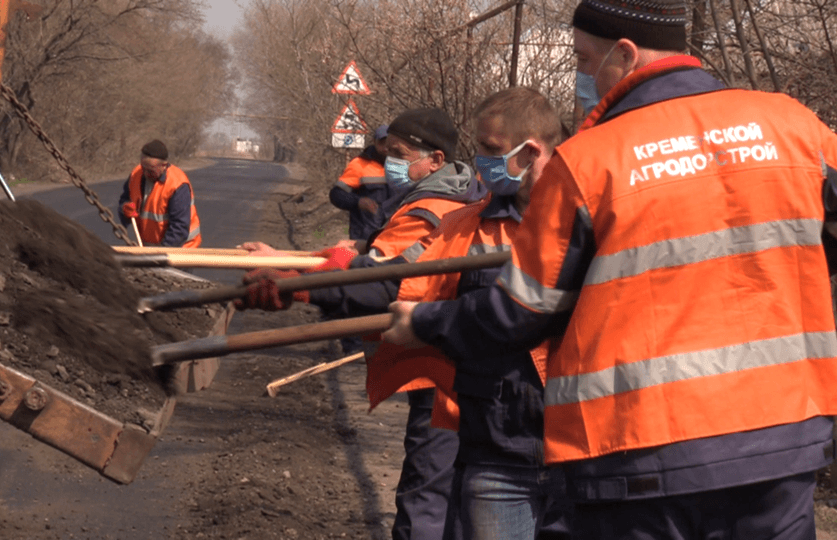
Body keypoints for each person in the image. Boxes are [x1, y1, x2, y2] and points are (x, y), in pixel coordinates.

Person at [383, 0, 837, 538]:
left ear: (624, 53)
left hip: (640, 451)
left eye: (582, 57)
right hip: (781, 441)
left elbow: (519, 311)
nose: (580, 76)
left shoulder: (589, 160)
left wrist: (425, 323)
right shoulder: (796, 126)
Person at [240, 107, 487, 540]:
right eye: (387, 152)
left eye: (400, 153)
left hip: (440, 374)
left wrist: (300, 287)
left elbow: (380, 280)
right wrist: (288, 261)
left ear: (435, 160)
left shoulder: (430, 210)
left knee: (426, 498)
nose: (389, 162)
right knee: (452, 498)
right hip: (453, 366)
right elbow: (365, 255)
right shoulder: (450, 197)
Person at [367, 88, 573, 540]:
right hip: (495, 447)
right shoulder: (464, 224)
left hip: (578, 451)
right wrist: (313, 285)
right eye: (479, 147)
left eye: (492, 150)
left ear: (532, 151)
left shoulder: (584, 219)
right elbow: (398, 282)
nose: (480, 162)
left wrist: (428, 323)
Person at [118, 139, 202, 247]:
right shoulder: (136, 175)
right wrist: (125, 208)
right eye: (143, 167)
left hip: (181, 248)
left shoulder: (177, 184)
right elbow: (124, 200)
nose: (145, 173)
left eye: (151, 170)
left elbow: (179, 228)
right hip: (149, 248)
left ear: (164, 166)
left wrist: (161, 255)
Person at [330, 124, 394, 243]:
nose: (386, 148)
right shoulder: (359, 164)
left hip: (393, 237)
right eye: (382, 143)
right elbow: (336, 195)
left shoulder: (404, 166)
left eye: (389, 143)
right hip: (364, 238)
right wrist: (358, 201)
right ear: (374, 142)